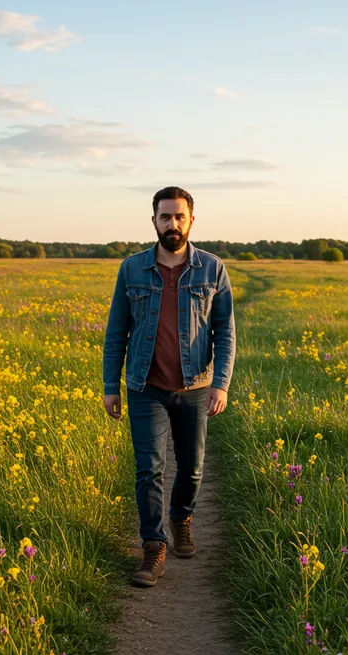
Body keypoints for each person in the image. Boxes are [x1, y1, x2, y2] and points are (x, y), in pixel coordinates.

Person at [102, 186, 236, 587]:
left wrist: (222, 384)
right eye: (165, 217)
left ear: (191, 220)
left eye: (179, 216)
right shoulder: (132, 269)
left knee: (192, 469)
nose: (172, 224)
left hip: (196, 386)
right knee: (149, 470)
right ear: (154, 221)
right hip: (145, 386)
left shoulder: (212, 269)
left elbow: (225, 332)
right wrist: (111, 385)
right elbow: (116, 332)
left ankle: (181, 517)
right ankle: (153, 546)